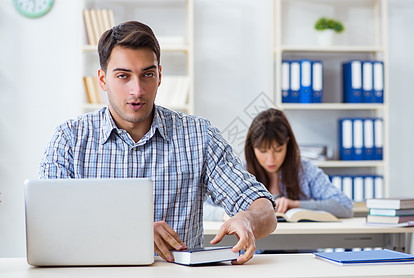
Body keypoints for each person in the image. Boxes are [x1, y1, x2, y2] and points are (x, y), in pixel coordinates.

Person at [39, 21, 276, 264]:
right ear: (102, 80)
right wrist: (133, 231)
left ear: (160, 76)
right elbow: (47, 224)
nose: (137, 90)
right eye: (123, 76)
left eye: (147, 75)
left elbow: (265, 210)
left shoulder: (198, 136)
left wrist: (248, 219)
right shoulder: (69, 139)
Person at [204, 108, 353, 221]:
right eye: (262, 151)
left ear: (287, 143)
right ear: (252, 148)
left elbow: (345, 207)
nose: (271, 159)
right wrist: (224, 215)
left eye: (278, 150)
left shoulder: (305, 170)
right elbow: (201, 207)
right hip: (253, 256)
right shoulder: (240, 172)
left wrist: (296, 205)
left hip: (301, 253)